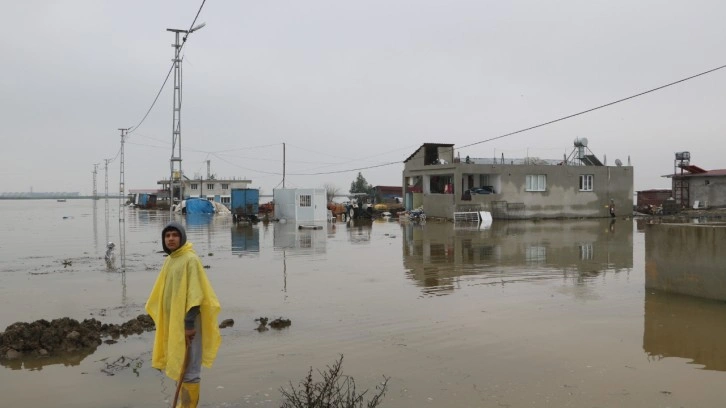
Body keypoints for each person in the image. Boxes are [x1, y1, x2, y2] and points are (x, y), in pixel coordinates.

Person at [145, 221, 221, 408]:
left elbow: (195, 295)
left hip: (190, 323)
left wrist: (188, 326)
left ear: (182, 237)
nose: (171, 238)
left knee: (190, 369)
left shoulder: (189, 259)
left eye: (174, 235)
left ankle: (187, 406)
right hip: (175, 323)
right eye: (167, 235)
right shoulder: (171, 260)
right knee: (179, 363)